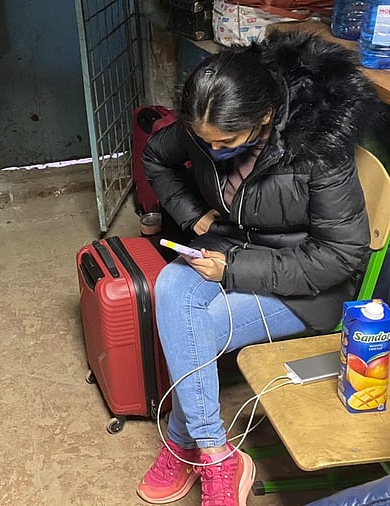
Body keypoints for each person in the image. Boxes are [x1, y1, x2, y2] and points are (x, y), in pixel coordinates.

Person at [138, 32, 377, 505]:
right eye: (205, 142)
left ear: (265, 118)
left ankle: (186, 443)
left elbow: (341, 255)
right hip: (228, 248)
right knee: (170, 286)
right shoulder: (205, 127)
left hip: (307, 286)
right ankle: (215, 452)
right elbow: (156, 158)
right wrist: (192, 214)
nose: (213, 150)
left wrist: (232, 270)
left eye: (225, 143)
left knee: (198, 327)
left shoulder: (317, 150)